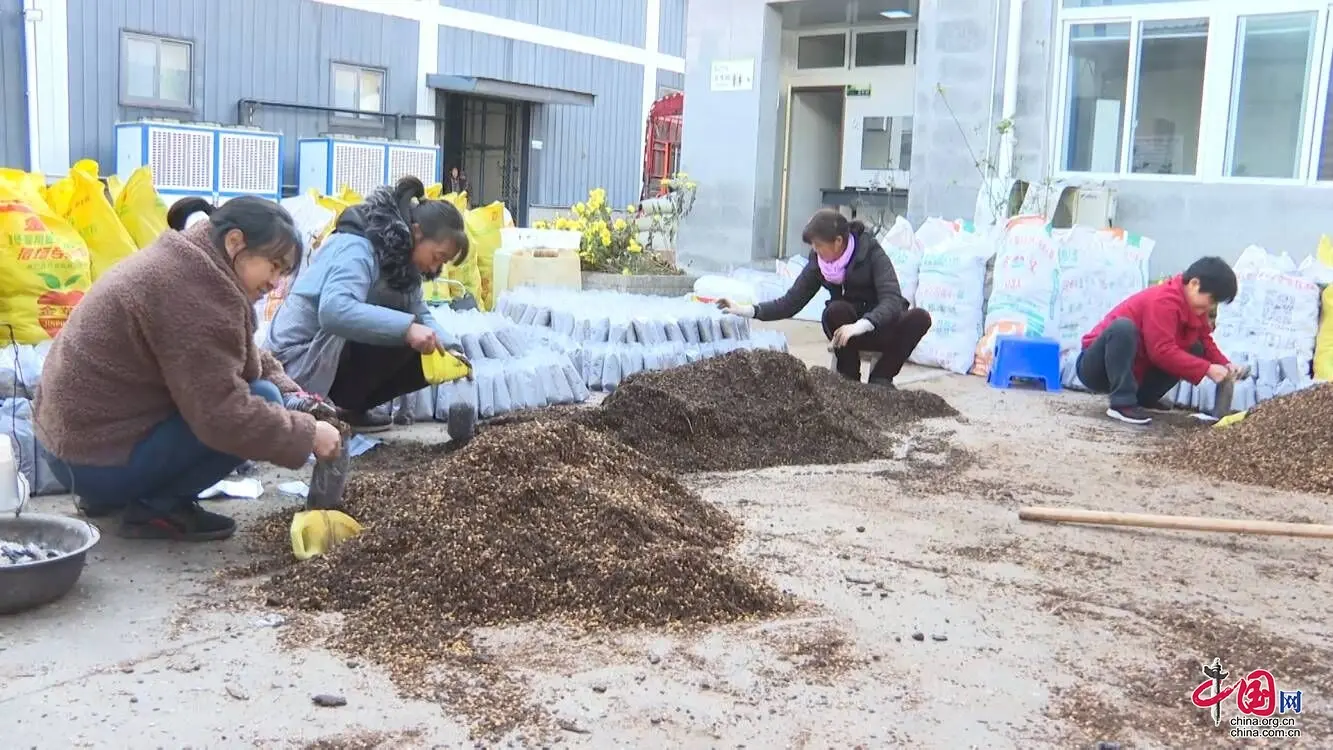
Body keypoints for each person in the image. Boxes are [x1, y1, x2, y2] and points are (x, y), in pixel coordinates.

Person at [33, 198, 343, 541]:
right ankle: (155, 509)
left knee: (271, 393)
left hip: (74, 449)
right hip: (91, 460)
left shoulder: (191, 265)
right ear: (235, 242)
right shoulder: (193, 293)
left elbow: (235, 352)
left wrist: (294, 393)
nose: (275, 283)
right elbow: (221, 414)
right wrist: (307, 434)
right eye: (273, 265)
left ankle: (113, 497)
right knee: (260, 399)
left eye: (283, 273)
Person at [264, 176, 470, 432]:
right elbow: (333, 311)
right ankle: (316, 403)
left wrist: (452, 349)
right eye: (438, 257)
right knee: (403, 330)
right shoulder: (356, 246)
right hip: (296, 360)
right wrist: (406, 329)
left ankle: (350, 408)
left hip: (330, 354)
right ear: (416, 232)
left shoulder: (404, 265)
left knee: (424, 344)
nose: (435, 268)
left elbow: (420, 313)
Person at [716, 209, 932, 388]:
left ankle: (882, 378)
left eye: (819, 245)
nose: (815, 250)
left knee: (920, 318)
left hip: (879, 327)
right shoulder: (819, 263)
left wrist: (862, 324)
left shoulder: (871, 253)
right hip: (845, 334)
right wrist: (746, 310)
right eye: (813, 247)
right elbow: (790, 303)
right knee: (836, 310)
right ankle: (848, 379)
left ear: (838, 241)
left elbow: (892, 300)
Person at [1077, 256, 1242, 425]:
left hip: (1136, 370)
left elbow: (1205, 340)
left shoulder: (1195, 308)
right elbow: (1161, 351)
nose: (1211, 307)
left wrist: (1224, 364)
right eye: (1212, 299)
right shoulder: (1164, 301)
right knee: (1123, 328)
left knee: (1196, 348)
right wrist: (1207, 369)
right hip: (1097, 366)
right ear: (1194, 284)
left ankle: (1143, 398)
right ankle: (1121, 404)